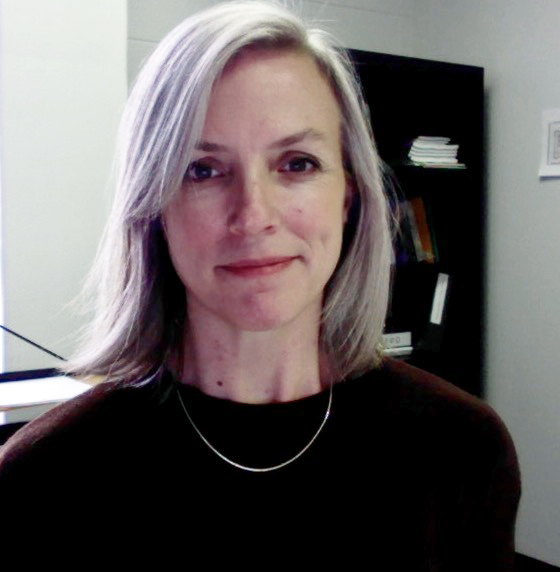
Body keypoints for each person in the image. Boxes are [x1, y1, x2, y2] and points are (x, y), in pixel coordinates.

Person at [0, 1, 519, 568]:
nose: (253, 216)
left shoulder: (462, 450)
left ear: (347, 196)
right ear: (154, 209)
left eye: (297, 163)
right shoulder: (41, 478)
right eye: (202, 170)